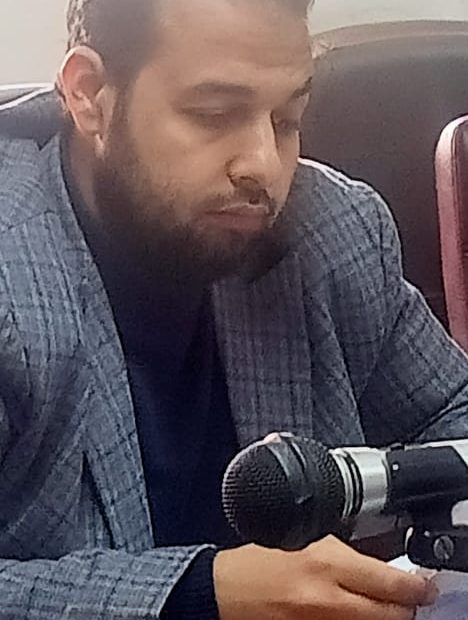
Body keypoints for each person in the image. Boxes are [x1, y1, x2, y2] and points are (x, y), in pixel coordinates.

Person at [0, 0, 466, 618]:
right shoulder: (13, 276)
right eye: (214, 115)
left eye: (287, 119)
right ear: (88, 95)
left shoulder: (334, 230)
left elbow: (452, 421)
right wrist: (200, 595)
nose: (264, 167)